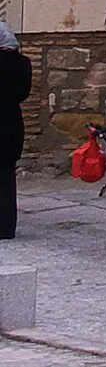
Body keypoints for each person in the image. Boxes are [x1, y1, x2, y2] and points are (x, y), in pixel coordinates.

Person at [0, 22, 30, 242]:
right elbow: (22, 94)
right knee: (7, 179)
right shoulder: (23, 64)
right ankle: (6, 227)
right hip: (11, 123)